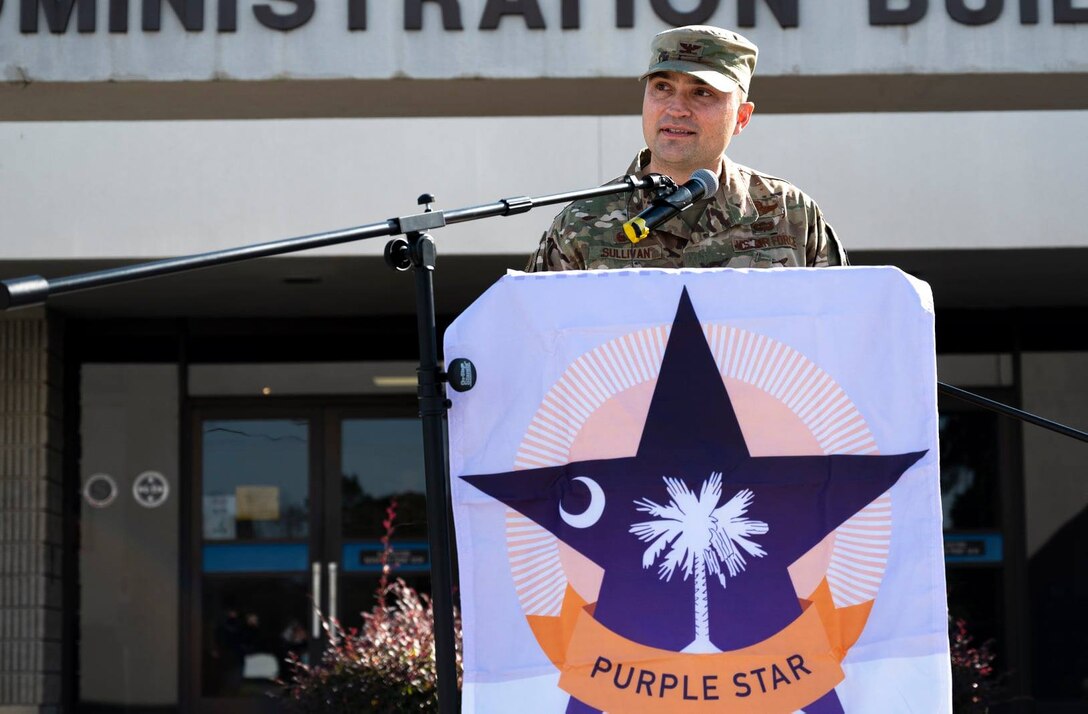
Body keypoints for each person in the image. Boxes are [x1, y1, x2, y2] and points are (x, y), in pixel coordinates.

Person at [526, 25, 846, 272]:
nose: (676, 108)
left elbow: (845, 328)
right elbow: (534, 340)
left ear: (741, 117)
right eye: (662, 88)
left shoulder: (789, 213)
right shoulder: (582, 223)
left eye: (702, 93)